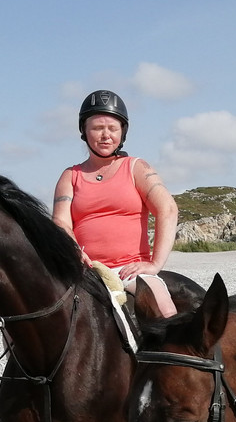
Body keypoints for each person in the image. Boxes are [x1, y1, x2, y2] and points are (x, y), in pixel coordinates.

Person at [52, 89, 178, 317]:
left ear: (123, 132)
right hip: (86, 269)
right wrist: (74, 252)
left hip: (130, 269)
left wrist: (155, 264)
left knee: (165, 311)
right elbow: (61, 222)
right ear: (84, 131)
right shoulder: (70, 176)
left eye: (112, 128)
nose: (105, 135)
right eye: (97, 128)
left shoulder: (137, 168)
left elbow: (167, 209)